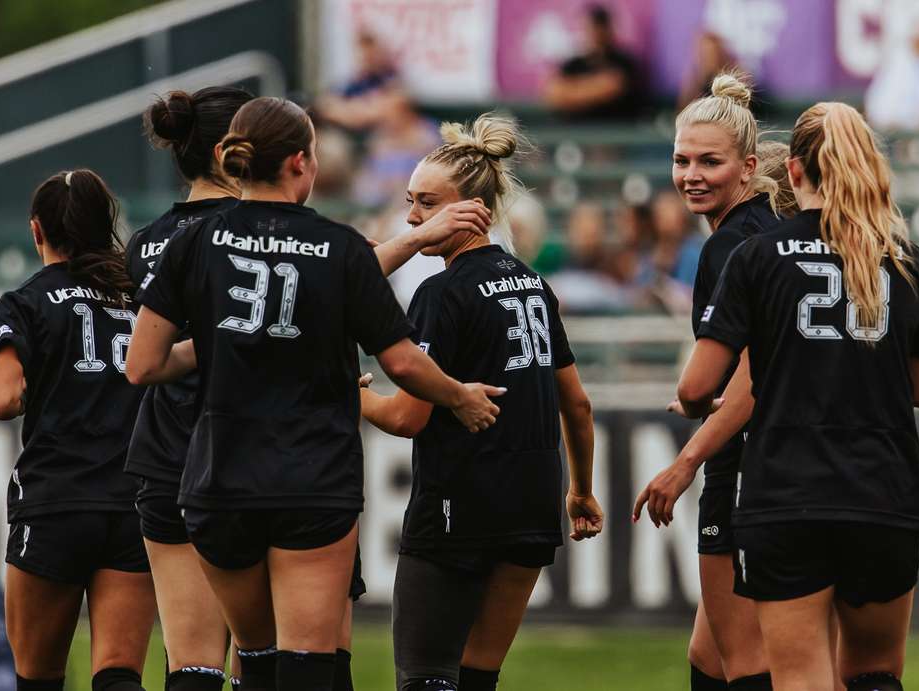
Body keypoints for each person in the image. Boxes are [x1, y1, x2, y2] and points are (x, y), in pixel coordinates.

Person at [125, 96, 504, 691]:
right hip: (312, 475)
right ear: (302, 162)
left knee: (254, 661)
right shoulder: (340, 247)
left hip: (219, 475)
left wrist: (225, 337)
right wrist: (458, 395)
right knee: (308, 665)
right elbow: (403, 363)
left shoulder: (192, 243)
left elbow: (142, 366)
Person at [677, 102, 919, 691]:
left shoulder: (756, 256)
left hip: (787, 494)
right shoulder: (910, 262)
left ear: (791, 172)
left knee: (798, 677)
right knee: (875, 676)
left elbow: (697, 387)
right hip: (886, 493)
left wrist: (704, 408)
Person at [359, 113, 604, 691]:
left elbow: (407, 417)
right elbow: (578, 406)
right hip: (532, 508)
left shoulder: (440, 293)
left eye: (426, 204)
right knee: (477, 680)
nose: (412, 218)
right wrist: (581, 491)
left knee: (425, 678)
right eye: (410, 202)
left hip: (459, 506)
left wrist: (350, 400)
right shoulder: (533, 285)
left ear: (473, 210)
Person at [633, 72, 783, 691]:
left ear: (748, 169)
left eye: (709, 162)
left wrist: (687, 456)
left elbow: (746, 377)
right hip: (784, 459)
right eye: (681, 160)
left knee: (747, 664)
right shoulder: (765, 228)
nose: (691, 174)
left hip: (745, 462)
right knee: (710, 659)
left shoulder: (732, 247)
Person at [0, 169, 154, 691]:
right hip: (135, 500)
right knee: (119, 674)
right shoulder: (143, 300)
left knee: (38, 678)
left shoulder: (26, 302)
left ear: (37, 231)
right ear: (107, 226)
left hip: (55, 501)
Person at [124, 86, 252, 691]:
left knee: (191, 664)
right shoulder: (262, 235)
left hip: (167, 452)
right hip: (255, 451)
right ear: (234, 153)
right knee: (283, 658)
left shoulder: (148, 240)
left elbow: (143, 358)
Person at [543, 4, 643, 121]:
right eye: (587, 28)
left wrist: (572, 91)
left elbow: (610, 88)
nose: (591, 34)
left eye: (596, 28)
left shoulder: (623, 62)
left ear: (607, 29)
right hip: (574, 131)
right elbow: (553, 93)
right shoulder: (573, 63)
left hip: (615, 131)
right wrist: (588, 88)